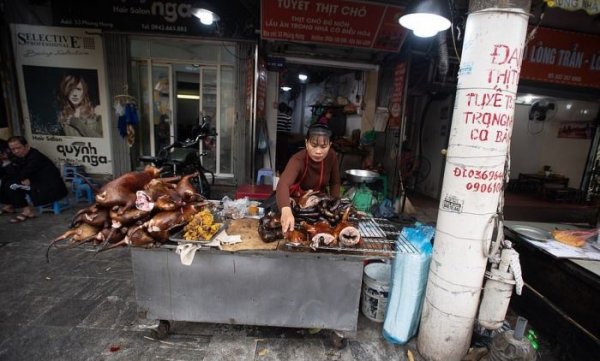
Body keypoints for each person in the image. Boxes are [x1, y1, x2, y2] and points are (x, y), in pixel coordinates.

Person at [276, 123, 341, 233]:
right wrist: (285, 209)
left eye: (323, 146)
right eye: (314, 145)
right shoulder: (298, 159)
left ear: (330, 145)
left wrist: (333, 205)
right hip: (297, 209)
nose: (318, 151)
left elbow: (335, 183)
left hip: (319, 207)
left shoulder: (332, 156)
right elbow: (283, 184)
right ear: (306, 143)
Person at [2, 136, 68, 223]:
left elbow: (21, 174)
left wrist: (23, 177)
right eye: (13, 149)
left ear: (27, 146)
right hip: (36, 184)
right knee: (5, 180)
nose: (16, 151)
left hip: (48, 188)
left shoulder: (35, 157)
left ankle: (27, 211)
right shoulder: (18, 156)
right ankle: (9, 205)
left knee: (12, 186)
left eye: (18, 148)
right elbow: (15, 173)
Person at [276, 102, 293, 172]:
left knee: (277, 153)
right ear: (285, 109)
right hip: (284, 137)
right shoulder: (288, 117)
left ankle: (277, 168)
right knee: (283, 154)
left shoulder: (276, 116)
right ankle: (282, 170)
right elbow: (288, 130)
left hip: (277, 136)